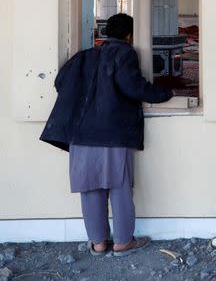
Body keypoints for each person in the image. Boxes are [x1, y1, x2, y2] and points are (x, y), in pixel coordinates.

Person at [40, 13, 173, 256]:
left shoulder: (84, 56)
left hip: (82, 135)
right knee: (119, 186)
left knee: (90, 189)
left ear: (105, 33)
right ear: (130, 35)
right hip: (113, 133)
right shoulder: (124, 53)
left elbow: (61, 83)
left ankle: (99, 243)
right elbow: (132, 86)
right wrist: (165, 93)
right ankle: (123, 242)